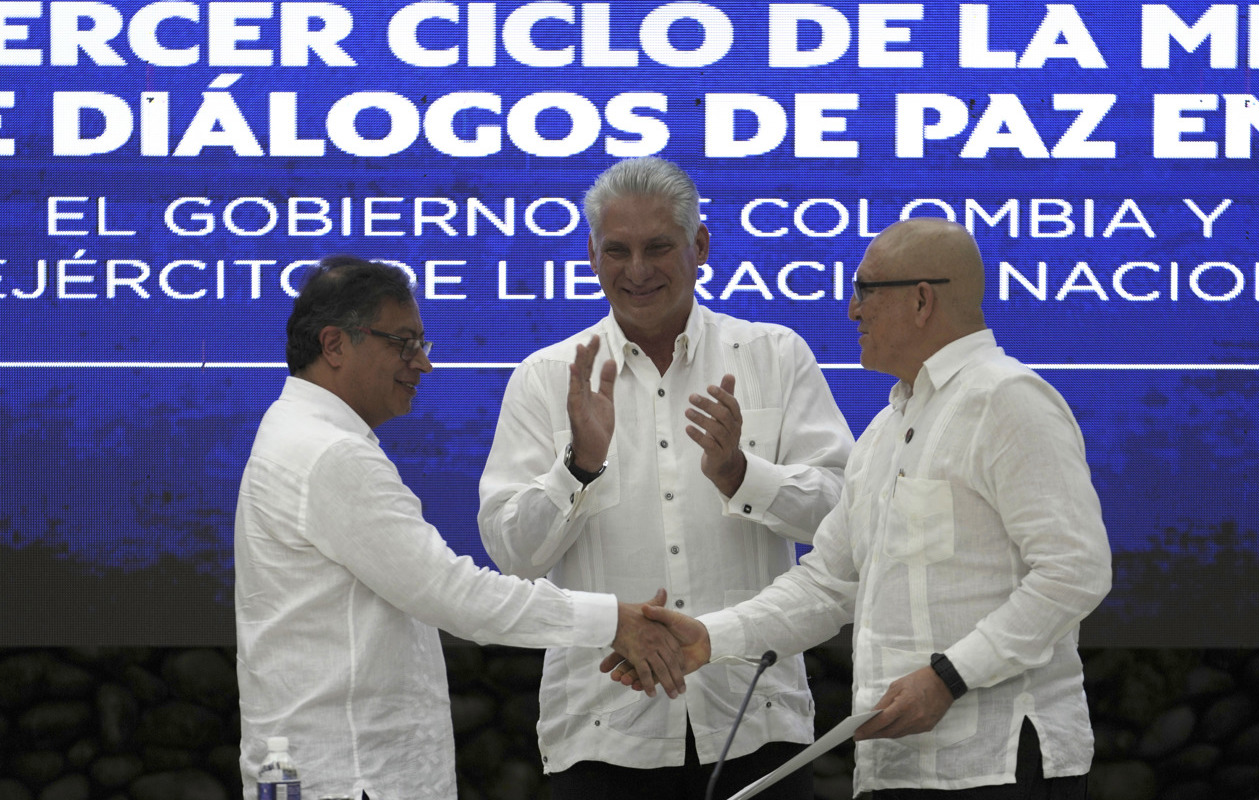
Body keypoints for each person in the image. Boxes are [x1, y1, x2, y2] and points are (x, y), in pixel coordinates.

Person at [614, 218, 1113, 798]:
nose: (852, 311)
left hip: (999, 765)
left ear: (923, 299)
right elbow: (826, 585)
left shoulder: (1006, 400)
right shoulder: (882, 431)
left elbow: (1074, 572)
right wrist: (709, 637)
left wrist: (949, 677)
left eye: (864, 290)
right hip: (893, 769)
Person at [234, 255, 688, 800]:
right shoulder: (329, 453)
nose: (421, 365)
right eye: (403, 343)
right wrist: (611, 619)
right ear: (333, 345)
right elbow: (453, 594)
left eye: (421, 345)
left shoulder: (298, 432)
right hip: (352, 776)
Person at [478, 157, 855, 799]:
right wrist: (578, 468)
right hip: (602, 730)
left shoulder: (773, 355)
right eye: (617, 250)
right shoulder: (547, 378)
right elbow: (513, 554)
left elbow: (847, 519)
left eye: (659, 247)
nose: (638, 270)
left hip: (753, 722)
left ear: (700, 246)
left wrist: (742, 475)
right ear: (592, 255)